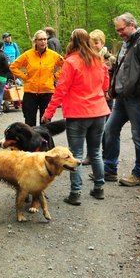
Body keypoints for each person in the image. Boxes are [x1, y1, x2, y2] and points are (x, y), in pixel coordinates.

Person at [41, 29, 110, 205]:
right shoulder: (98, 59)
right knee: (95, 153)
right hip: (99, 112)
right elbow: (105, 85)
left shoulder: (71, 62)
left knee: (76, 154)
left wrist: (48, 113)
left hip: (78, 114)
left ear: (72, 41)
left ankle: (75, 193)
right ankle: (99, 189)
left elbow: (61, 89)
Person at [102, 12, 140, 187]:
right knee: (110, 130)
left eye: (121, 29)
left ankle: (139, 174)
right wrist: (113, 89)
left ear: (132, 24)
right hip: (122, 97)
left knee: (138, 135)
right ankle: (110, 169)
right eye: (117, 30)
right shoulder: (127, 44)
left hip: (137, 98)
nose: (119, 33)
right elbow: (119, 68)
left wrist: (135, 91)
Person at [9, 30, 64, 126]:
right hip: (31, 92)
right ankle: (30, 141)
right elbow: (13, 66)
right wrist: (24, 77)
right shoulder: (28, 55)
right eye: (40, 39)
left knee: (45, 123)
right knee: (29, 123)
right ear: (35, 41)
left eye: (45, 39)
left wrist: (55, 77)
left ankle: (45, 141)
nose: (43, 42)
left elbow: (66, 66)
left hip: (47, 92)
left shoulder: (53, 55)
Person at [81, 29, 117, 166]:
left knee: (106, 129)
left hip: (105, 98)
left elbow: (116, 78)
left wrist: (110, 93)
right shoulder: (87, 58)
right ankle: (91, 155)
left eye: (96, 43)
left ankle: (104, 155)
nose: (94, 46)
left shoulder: (111, 59)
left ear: (102, 43)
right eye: (91, 43)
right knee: (90, 129)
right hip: (91, 98)